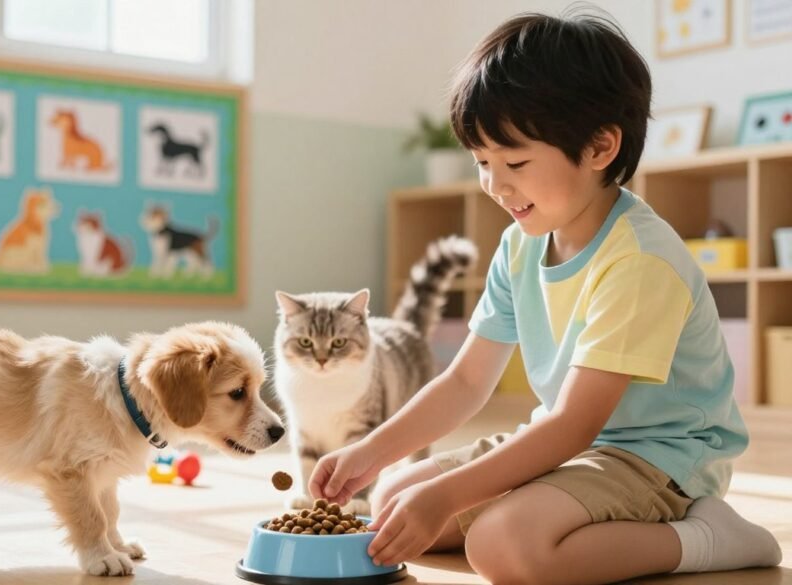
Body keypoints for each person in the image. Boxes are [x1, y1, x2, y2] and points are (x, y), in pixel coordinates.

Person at [309, 10, 783, 584]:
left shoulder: (639, 261)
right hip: (568, 442)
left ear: (601, 147)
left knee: (503, 546)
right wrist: (370, 454)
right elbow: (465, 383)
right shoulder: (519, 247)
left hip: (659, 459)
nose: (495, 185)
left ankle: (704, 538)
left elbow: (574, 425)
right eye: (482, 162)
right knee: (394, 497)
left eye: (515, 162)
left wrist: (446, 499)